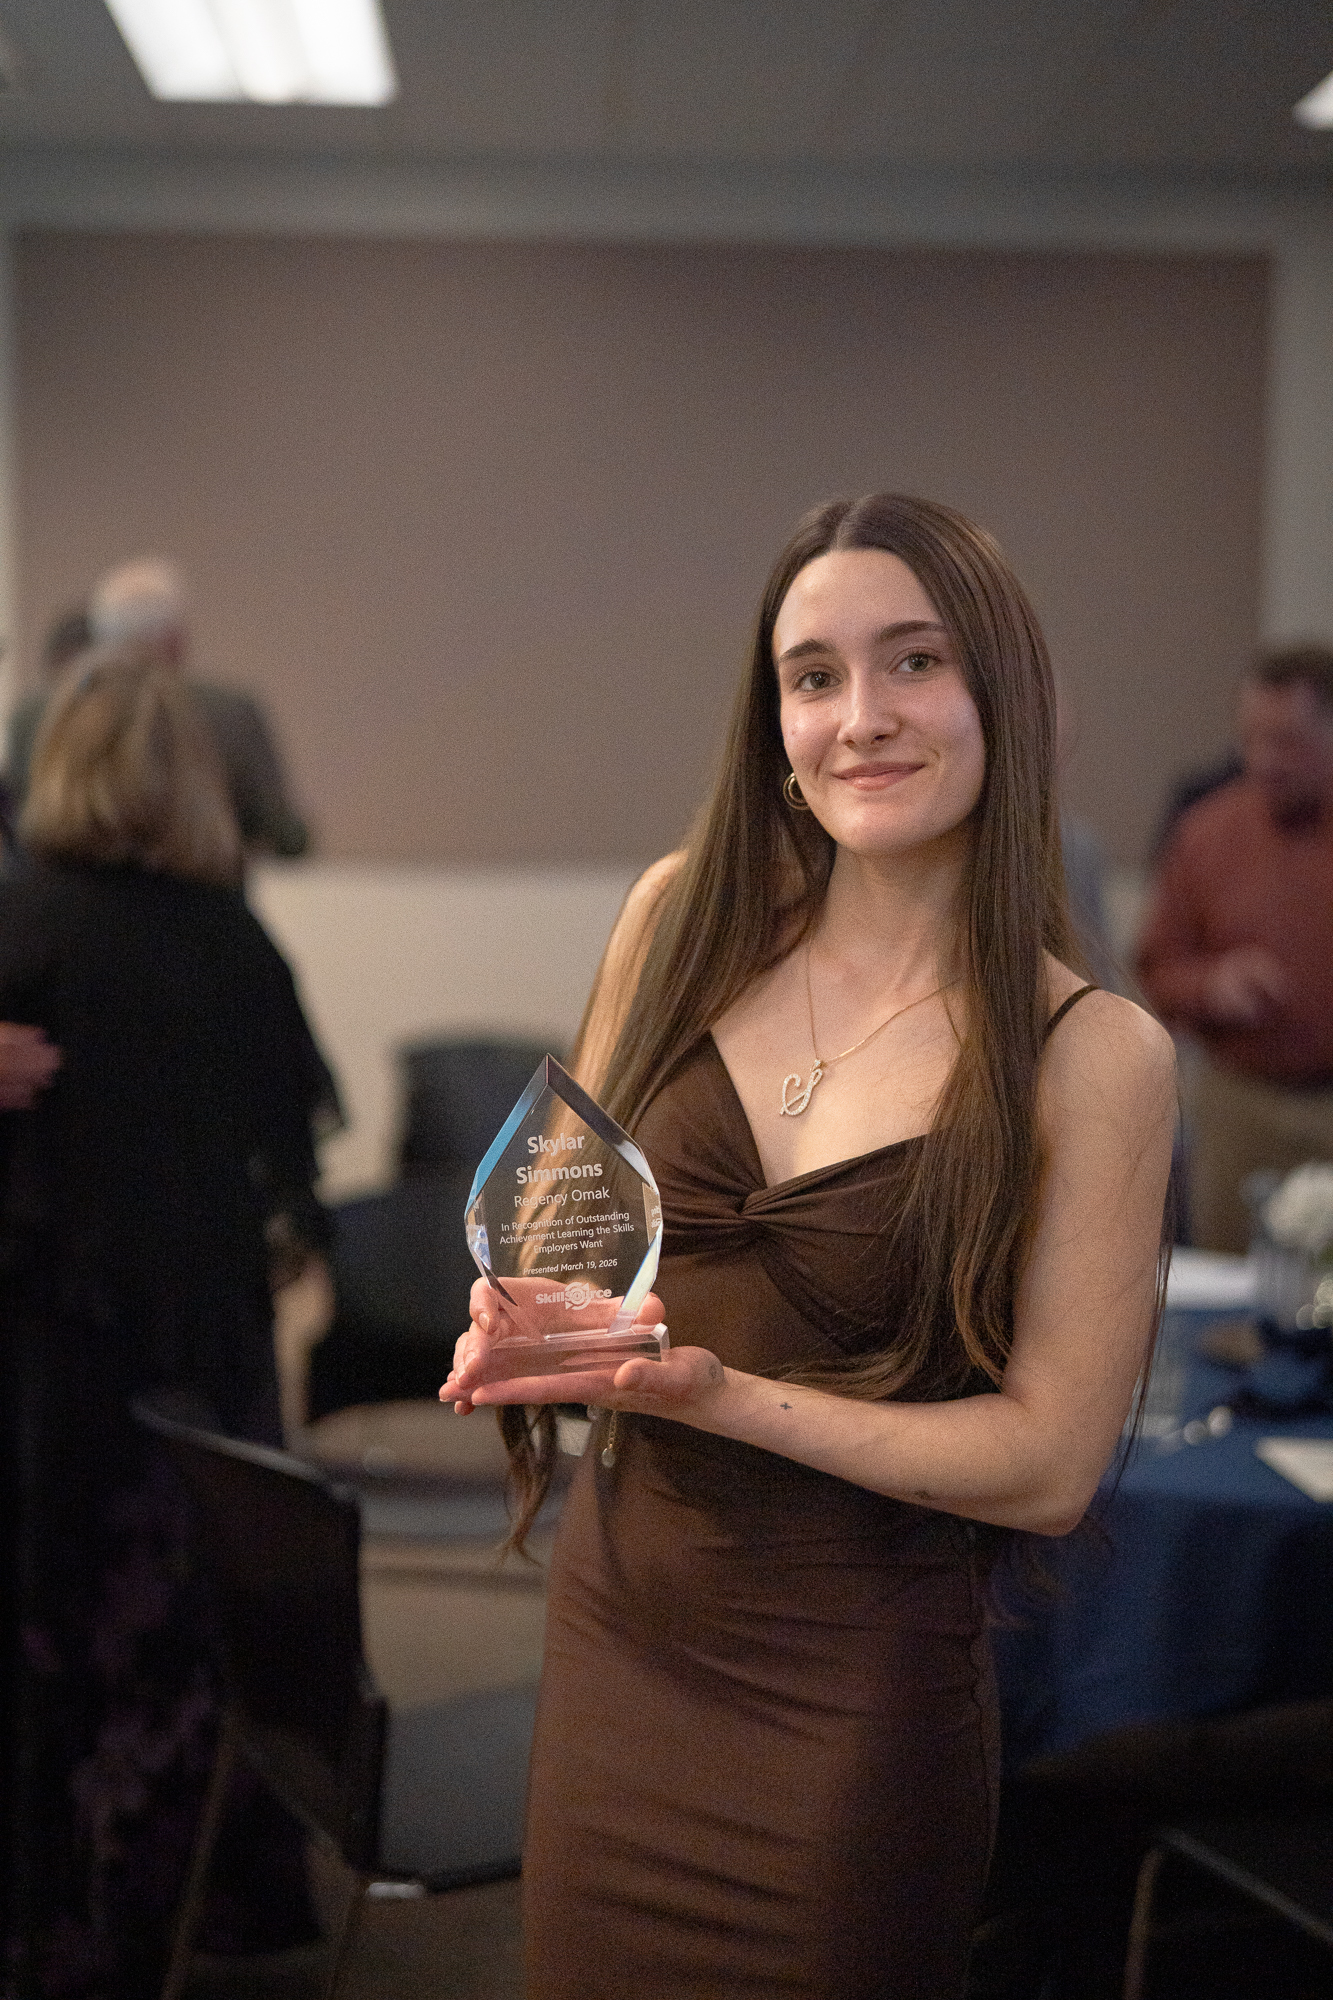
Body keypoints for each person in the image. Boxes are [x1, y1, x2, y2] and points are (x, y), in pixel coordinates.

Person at [443, 494, 1175, 2000]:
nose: (860, 718)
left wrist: (725, 1396)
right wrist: (530, 1322)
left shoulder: (1094, 1054)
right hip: (621, 1637)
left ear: (1002, 692)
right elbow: (568, 1241)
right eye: (814, 676)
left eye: (914, 662)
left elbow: (1049, 1466)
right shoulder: (677, 920)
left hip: (848, 1702)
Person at [0, 651, 336, 1996]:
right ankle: (209, 1900)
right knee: (202, 1619)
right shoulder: (237, 940)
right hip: (204, 1354)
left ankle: (56, 1918)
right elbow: (286, 1154)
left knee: (50, 1622)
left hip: (49, 1359)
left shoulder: (16, 925)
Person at [1136, 644, 1333, 1252]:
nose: (1264, 760)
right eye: (1253, 739)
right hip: (1241, 1105)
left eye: (1287, 741)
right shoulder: (1207, 832)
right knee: (1229, 1284)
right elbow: (1155, 967)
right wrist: (1212, 984)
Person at [5, 559, 310, 859]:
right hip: (194, 884)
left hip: (59, 882)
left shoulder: (33, 718)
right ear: (176, 640)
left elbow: (19, 829)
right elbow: (285, 835)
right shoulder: (231, 715)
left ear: (99, 636)